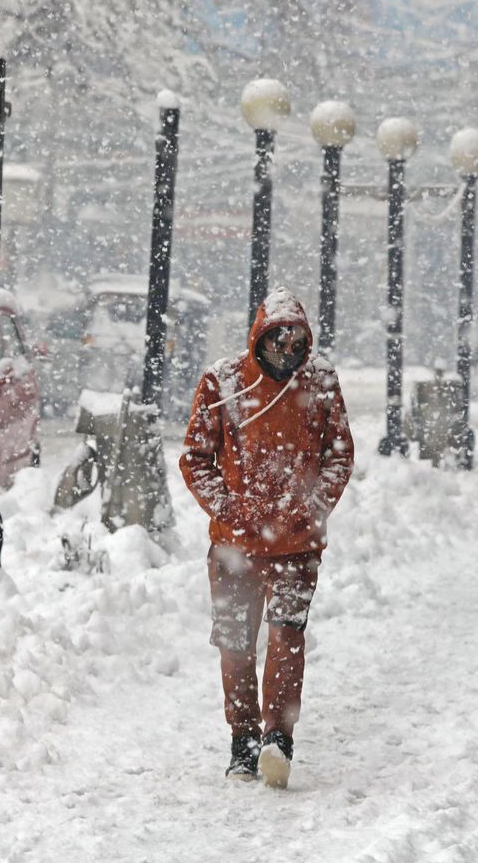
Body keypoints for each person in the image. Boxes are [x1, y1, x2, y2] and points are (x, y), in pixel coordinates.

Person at [179, 289, 354, 788]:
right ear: (260, 336)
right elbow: (195, 458)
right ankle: (243, 740)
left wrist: (312, 509)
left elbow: (340, 454)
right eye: (278, 341)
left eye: (296, 343)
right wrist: (229, 509)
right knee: (235, 643)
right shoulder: (222, 382)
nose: (287, 352)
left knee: (286, 637)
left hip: (297, 547)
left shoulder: (320, 382)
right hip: (234, 546)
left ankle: (278, 738)